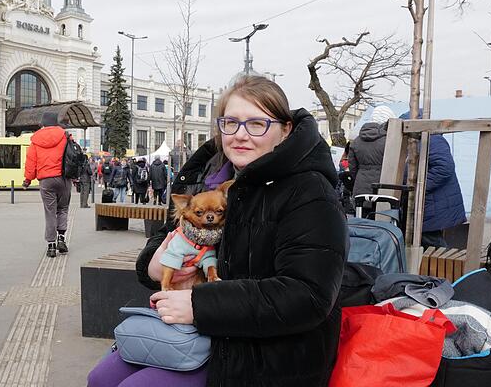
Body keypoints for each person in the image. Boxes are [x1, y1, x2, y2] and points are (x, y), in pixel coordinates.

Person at [88, 76, 348, 387]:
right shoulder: (207, 176)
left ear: (285, 129)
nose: (240, 135)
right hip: (197, 331)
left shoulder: (309, 192)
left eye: (257, 124)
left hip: (265, 353)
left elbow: (308, 295)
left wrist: (201, 303)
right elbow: (166, 239)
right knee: (101, 378)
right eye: (231, 123)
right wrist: (152, 264)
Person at [399, 111, 466, 248]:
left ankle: (443, 268)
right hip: (431, 202)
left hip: (433, 203)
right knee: (428, 241)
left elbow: (445, 167)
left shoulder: (431, 140)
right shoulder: (420, 140)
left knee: (431, 242)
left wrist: (419, 186)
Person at [22, 112, 71, 258]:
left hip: (46, 180)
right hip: (63, 178)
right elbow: (72, 156)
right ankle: (61, 238)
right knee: (63, 209)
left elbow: (31, 162)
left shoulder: (36, 140)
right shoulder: (65, 136)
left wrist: (27, 180)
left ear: (43, 123)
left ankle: (51, 246)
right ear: (55, 123)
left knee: (50, 212)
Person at [348, 105, 395, 198]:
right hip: (383, 187)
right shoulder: (389, 141)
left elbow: (352, 168)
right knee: (382, 212)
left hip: (360, 186)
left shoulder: (356, 141)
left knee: (361, 211)